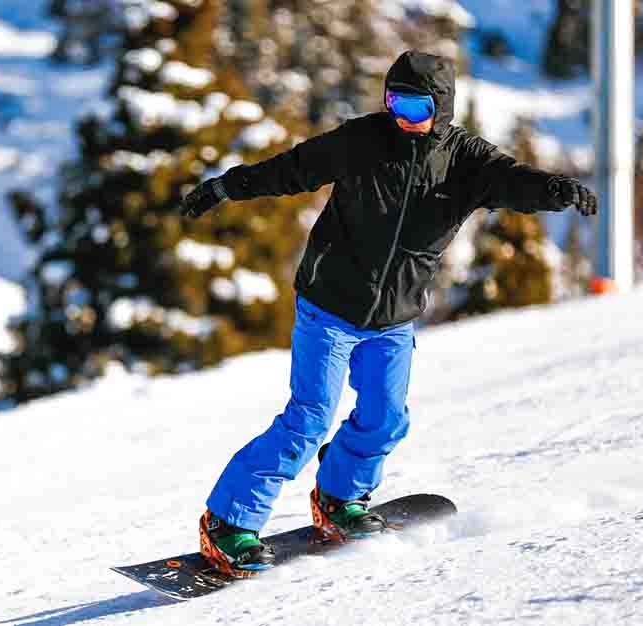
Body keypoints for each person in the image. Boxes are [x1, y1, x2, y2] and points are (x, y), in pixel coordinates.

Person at [179, 51, 598, 577]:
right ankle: (228, 521)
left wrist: (556, 190)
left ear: (442, 108)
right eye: (395, 100)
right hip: (329, 306)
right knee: (308, 421)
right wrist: (224, 187)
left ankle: (339, 496)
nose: (404, 115)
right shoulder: (363, 141)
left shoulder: (465, 160)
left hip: (394, 317)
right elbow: (291, 170)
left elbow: (512, 179)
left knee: (386, 418)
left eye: (418, 105)